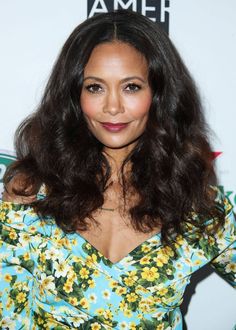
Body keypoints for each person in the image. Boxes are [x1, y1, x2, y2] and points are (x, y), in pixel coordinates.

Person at [0, 9, 235, 330]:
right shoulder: (31, 196)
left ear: (158, 94)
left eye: (131, 87)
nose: (113, 107)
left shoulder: (196, 207)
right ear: (74, 95)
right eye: (95, 87)